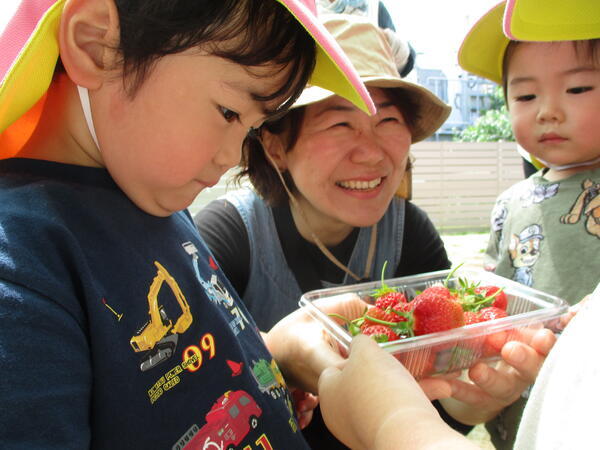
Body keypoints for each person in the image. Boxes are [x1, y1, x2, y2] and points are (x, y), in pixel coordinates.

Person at [0, 0, 378, 448]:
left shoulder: (148, 194)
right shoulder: (22, 272)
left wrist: (276, 356)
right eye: (228, 112)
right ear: (96, 44)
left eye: (253, 128)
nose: (233, 156)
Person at [195, 13, 546, 449]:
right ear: (276, 146)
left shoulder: (408, 233)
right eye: (340, 123)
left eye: (389, 122)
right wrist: (276, 356)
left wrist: (472, 400)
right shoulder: (227, 236)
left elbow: (434, 401)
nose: (371, 152)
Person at [457, 1, 600, 447]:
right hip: (523, 412)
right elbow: (497, 296)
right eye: (525, 96)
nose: (547, 111)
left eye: (577, 89)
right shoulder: (510, 202)